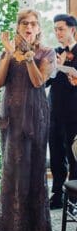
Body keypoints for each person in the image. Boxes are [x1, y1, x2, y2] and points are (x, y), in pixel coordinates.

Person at [0, 8, 55, 231]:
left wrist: (29, 58)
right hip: (11, 118)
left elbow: (39, 82)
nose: (29, 27)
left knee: (32, 169)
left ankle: (32, 230)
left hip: (34, 118)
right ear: (18, 27)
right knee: (11, 169)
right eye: (24, 23)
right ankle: (10, 228)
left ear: (38, 28)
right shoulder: (8, 51)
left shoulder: (47, 52)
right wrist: (9, 54)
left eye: (33, 23)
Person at [48, 14, 77, 209]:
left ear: (72, 30)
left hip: (74, 113)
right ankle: (57, 194)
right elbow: (45, 82)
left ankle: (73, 198)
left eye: (61, 28)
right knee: (56, 155)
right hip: (54, 112)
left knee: (73, 155)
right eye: (55, 29)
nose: (57, 32)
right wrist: (53, 68)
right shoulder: (54, 53)